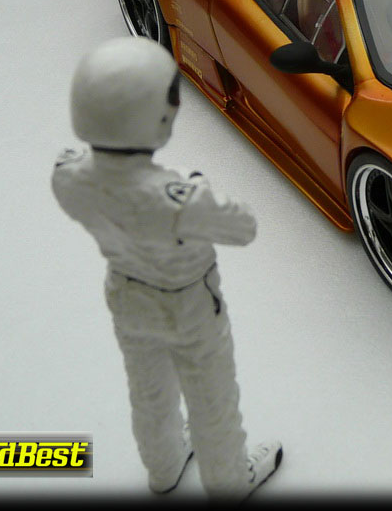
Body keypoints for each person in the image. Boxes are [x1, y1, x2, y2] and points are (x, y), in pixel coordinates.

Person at [51, 37, 283, 498]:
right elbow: (244, 228)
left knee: (148, 392)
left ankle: (163, 467)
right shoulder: (180, 202)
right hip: (189, 305)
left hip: (126, 295)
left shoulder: (67, 175)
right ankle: (228, 483)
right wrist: (200, 188)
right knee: (211, 398)